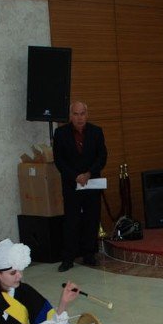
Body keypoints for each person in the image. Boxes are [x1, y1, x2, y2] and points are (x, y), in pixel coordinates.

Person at [53, 101, 107, 272]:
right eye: (76, 114)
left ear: (87, 114)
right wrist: (75, 176)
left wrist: (88, 173)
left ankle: (89, 254)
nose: (79, 117)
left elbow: (102, 156)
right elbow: (59, 160)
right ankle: (68, 258)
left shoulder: (96, 132)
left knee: (92, 219)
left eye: (82, 113)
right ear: (70, 116)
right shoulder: (60, 133)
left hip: (92, 182)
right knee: (71, 221)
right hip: (71, 184)